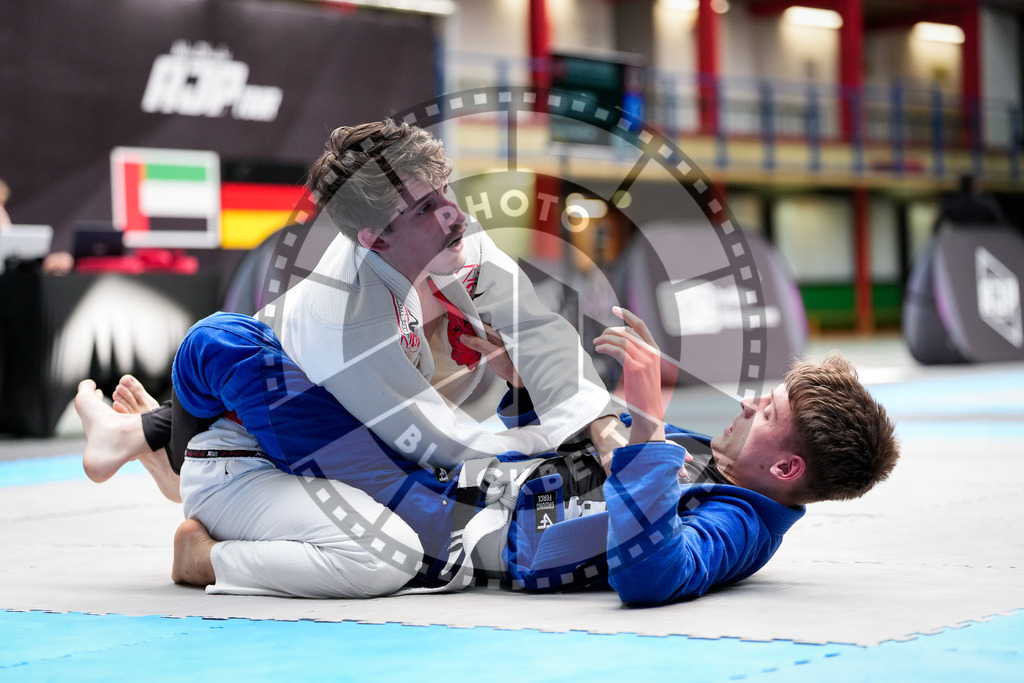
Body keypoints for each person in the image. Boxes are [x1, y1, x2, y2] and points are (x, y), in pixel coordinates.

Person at [75, 306, 898, 603]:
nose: (751, 401)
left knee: (230, 346)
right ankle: (155, 447)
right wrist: (522, 385)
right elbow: (577, 461)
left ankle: (165, 451)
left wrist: (642, 426)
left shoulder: (739, 528)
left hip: (438, 519)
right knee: (326, 388)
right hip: (452, 476)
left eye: (769, 411)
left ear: (786, 468)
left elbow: (652, 571)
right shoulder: (713, 466)